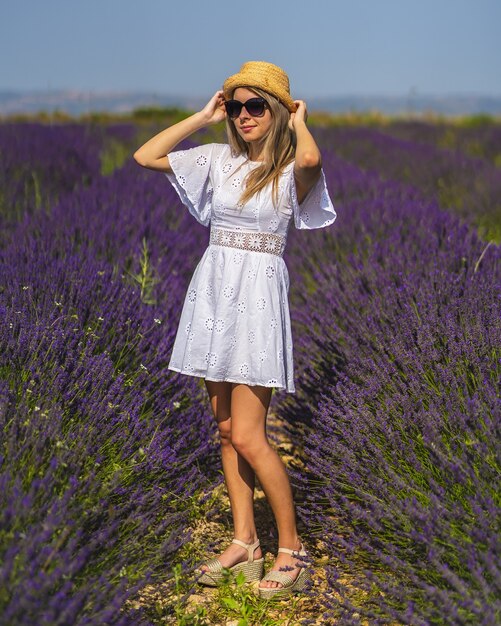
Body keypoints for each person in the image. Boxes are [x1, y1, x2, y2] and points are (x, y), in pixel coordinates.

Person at [133, 61, 336, 599]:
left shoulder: (291, 170)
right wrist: (203, 116)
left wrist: (298, 121)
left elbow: (312, 155)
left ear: (277, 112)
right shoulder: (218, 161)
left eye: (257, 106)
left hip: (257, 303)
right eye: (237, 105)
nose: (245, 115)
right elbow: (145, 156)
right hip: (214, 296)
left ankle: (291, 549)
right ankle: (245, 542)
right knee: (225, 430)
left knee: (250, 434)